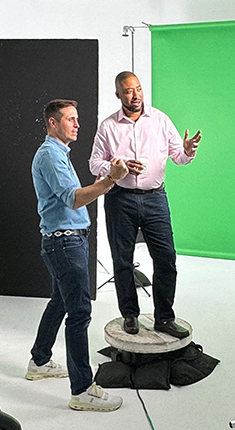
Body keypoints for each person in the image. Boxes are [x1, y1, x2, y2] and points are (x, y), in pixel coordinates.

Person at [28, 99, 128, 411]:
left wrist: (108, 178)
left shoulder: (58, 153)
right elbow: (73, 199)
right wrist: (110, 179)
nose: (77, 124)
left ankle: (39, 362)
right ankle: (82, 390)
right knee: (80, 313)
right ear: (53, 124)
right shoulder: (50, 156)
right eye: (71, 119)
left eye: (77, 119)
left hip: (65, 242)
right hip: (65, 244)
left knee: (60, 302)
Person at [89, 71, 201, 337]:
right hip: (120, 200)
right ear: (118, 95)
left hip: (155, 198)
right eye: (128, 91)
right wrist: (120, 166)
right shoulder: (108, 126)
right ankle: (130, 314)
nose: (135, 95)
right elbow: (94, 163)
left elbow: (179, 157)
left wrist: (187, 150)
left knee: (166, 259)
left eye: (138, 89)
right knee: (122, 261)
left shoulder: (160, 120)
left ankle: (164, 317)